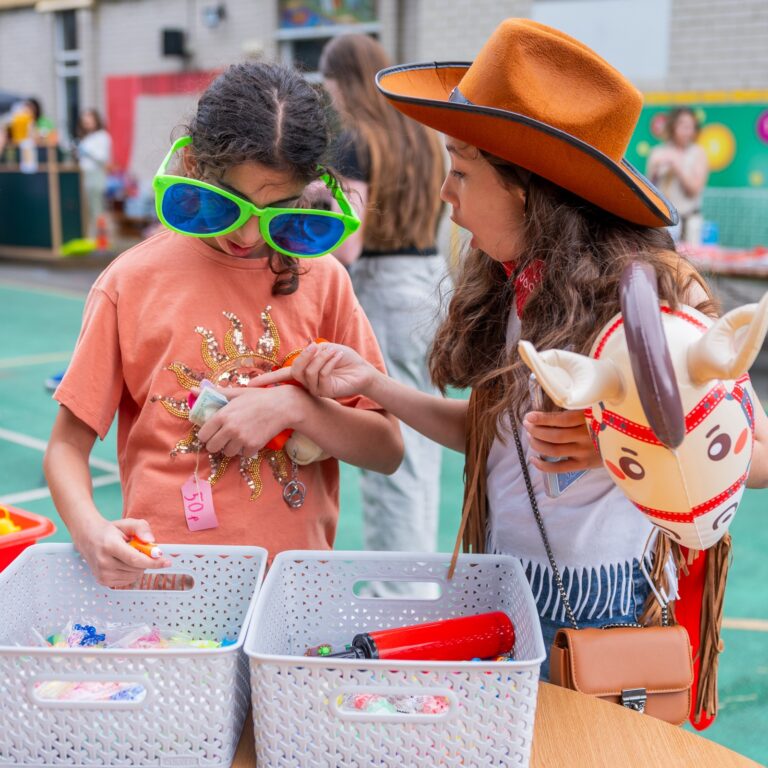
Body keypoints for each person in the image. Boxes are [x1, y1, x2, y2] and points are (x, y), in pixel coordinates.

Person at [254, 19, 768, 678]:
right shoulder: (510, 282)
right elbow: (495, 438)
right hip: (506, 583)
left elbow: (752, 458)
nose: (445, 195)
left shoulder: (661, 297)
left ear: (530, 188)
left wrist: (622, 445)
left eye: (462, 173)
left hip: (608, 604)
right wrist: (376, 385)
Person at [43, 61, 403, 589]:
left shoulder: (324, 279)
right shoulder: (131, 280)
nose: (251, 234)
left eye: (279, 208)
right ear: (192, 165)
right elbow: (65, 448)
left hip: (293, 586)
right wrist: (90, 531)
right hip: (169, 583)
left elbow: (387, 449)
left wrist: (295, 406)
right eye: (231, 202)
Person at [319, 34, 446, 595]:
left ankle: (399, 591)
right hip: (428, 280)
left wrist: (314, 214)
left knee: (391, 445)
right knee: (422, 443)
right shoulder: (421, 138)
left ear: (342, 81)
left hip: (384, 290)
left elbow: (348, 244)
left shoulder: (355, 142)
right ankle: (414, 576)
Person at [646, 107, 709, 244]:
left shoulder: (698, 153)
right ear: (673, 126)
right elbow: (649, 189)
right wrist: (656, 168)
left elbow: (694, 190)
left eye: (690, 127)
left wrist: (677, 166)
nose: (687, 131)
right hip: (664, 221)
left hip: (690, 220)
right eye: (683, 125)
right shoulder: (658, 152)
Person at [75, 109, 112, 238]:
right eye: (84, 120)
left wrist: (87, 152)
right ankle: (93, 238)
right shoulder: (86, 137)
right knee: (89, 209)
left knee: (97, 209)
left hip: (96, 175)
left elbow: (103, 158)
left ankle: (102, 240)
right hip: (84, 175)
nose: (87, 122)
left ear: (96, 120)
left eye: (89, 119)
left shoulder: (103, 136)